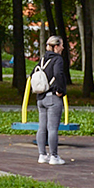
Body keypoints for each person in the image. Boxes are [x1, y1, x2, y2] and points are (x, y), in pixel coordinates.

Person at [36, 36, 68, 165]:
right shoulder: (58, 59)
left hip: (41, 97)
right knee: (53, 128)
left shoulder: (43, 60)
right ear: (56, 46)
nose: (63, 48)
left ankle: (42, 154)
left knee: (42, 127)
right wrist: (61, 90)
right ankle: (54, 156)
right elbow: (58, 74)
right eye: (61, 45)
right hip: (53, 97)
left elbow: (34, 73)